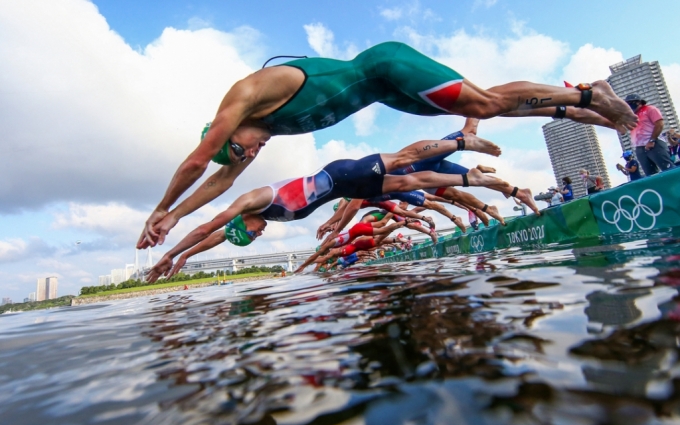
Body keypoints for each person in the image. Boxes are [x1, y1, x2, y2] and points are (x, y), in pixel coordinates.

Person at [138, 41, 638, 249]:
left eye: (243, 149)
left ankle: (592, 94)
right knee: (481, 114)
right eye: (247, 156)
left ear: (227, 132)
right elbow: (219, 180)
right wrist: (175, 219)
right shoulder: (264, 133)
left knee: (481, 104)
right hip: (388, 94)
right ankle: (580, 110)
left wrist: (163, 207)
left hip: (386, 66)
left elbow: (201, 162)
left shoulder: (246, 96)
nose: (253, 154)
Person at [145, 136, 514, 282]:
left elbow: (208, 224)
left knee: (403, 161)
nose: (259, 234)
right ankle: (474, 178)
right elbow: (213, 238)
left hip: (341, 173)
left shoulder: (252, 201)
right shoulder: (261, 217)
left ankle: (463, 141)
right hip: (352, 188)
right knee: (413, 185)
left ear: (247, 221)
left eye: (252, 233)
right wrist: (180, 259)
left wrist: (175, 246)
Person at [625, 93, 674, 175]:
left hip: (654, 143)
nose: (629, 105)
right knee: (650, 174)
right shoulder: (633, 116)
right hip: (639, 147)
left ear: (638, 102)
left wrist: (652, 140)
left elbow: (659, 124)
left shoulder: (650, 109)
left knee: (667, 168)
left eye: (631, 103)